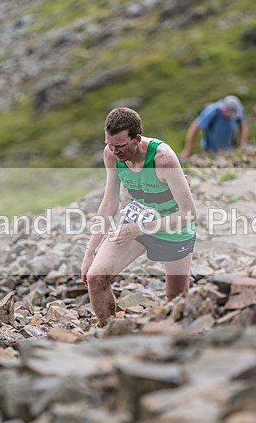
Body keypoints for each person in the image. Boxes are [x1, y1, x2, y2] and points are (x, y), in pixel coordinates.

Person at [82, 107, 197, 326]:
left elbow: (189, 214)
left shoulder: (163, 159)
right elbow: (109, 203)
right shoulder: (111, 154)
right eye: (109, 144)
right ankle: (112, 337)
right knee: (95, 279)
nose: (115, 151)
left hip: (173, 226)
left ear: (137, 139)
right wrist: (90, 252)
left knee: (176, 301)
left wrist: (138, 229)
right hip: (138, 219)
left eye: (121, 145)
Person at [180, 95, 246, 158]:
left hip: (227, 151)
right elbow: (194, 127)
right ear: (224, 109)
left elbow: (241, 124)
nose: (231, 117)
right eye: (229, 114)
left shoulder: (237, 110)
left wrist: (242, 144)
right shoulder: (213, 111)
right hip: (210, 151)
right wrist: (188, 150)